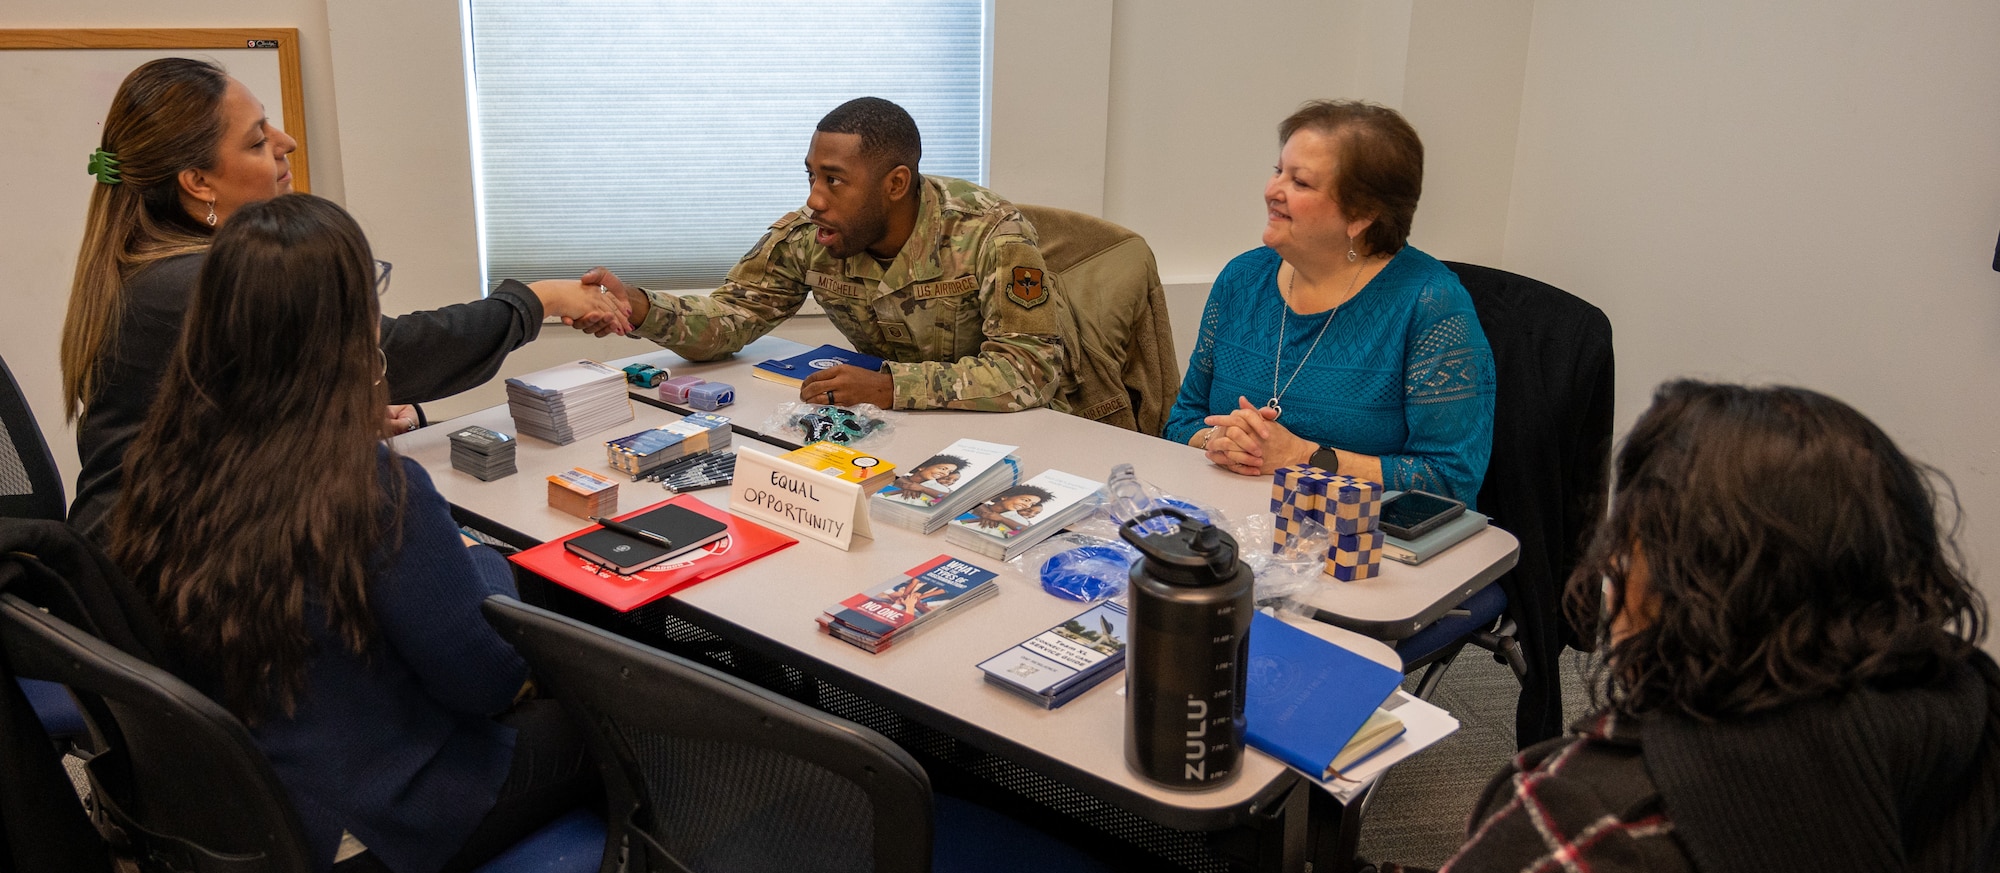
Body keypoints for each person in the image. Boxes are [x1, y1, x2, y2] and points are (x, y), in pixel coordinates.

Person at [1193, 380, 2000, 873]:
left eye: (1633, 542)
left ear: (1676, 590)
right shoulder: (1976, 725)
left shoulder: (1600, 832)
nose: (1612, 566)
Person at [106, 193, 597, 873]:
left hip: (240, 818)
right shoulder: (363, 483)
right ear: (350, 323)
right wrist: (483, 561)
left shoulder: (163, 457)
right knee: (612, 730)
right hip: (354, 839)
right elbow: (487, 682)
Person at [61, 57, 627, 537]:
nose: (286, 143)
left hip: (164, 539)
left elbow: (214, 411)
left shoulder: (150, 263)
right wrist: (538, 299)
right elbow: (394, 353)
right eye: (257, 140)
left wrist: (316, 421)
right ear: (198, 183)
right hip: (168, 572)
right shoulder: (200, 283)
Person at [577, 97, 1075, 414]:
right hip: (894, 429)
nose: (815, 199)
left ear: (896, 183)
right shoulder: (810, 234)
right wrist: (640, 307)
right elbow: (733, 317)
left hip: (1021, 434)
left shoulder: (991, 233)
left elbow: (1029, 370)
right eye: (811, 176)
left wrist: (887, 387)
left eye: (834, 180)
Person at [1164, 100, 1495, 502]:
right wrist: (1218, 440)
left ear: (1362, 214)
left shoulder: (1431, 304)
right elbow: (1182, 420)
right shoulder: (1241, 279)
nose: (1272, 191)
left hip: (1365, 546)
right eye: (1277, 172)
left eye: (1300, 182)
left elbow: (1451, 478)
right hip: (1234, 524)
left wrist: (1305, 457)